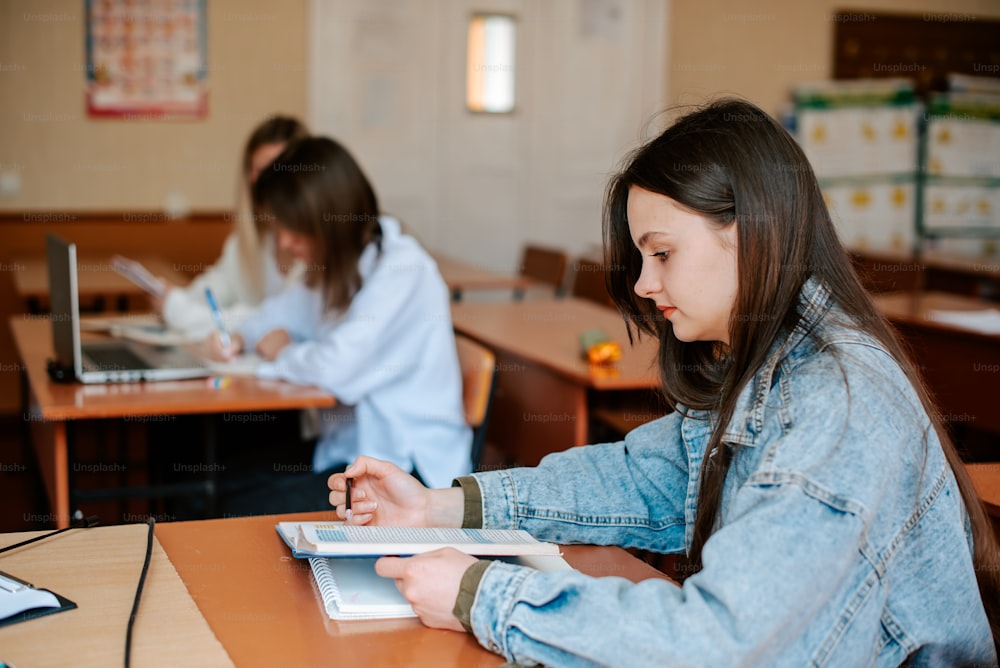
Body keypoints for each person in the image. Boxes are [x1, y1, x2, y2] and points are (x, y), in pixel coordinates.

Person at [326, 99, 1000, 666]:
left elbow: (725, 645)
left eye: (663, 253)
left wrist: (483, 596)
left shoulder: (836, 405)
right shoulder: (773, 362)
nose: (646, 286)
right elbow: (639, 477)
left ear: (752, 232)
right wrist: (435, 509)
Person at [205, 135, 472, 511]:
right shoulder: (337, 266)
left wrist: (284, 350)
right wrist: (236, 336)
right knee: (218, 482)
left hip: (409, 472)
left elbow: (335, 369)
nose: (283, 243)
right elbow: (278, 313)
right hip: (349, 453)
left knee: (238, 510)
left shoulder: (403, 271)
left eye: (293, 229)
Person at [155, 115, 309, 338]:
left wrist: (179, 310)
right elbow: (212, 292)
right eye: (261, 171)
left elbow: (273, 321)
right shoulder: (246, 244)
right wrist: (171, 298)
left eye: (280, 170)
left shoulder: (318, 250)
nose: (270, 182)